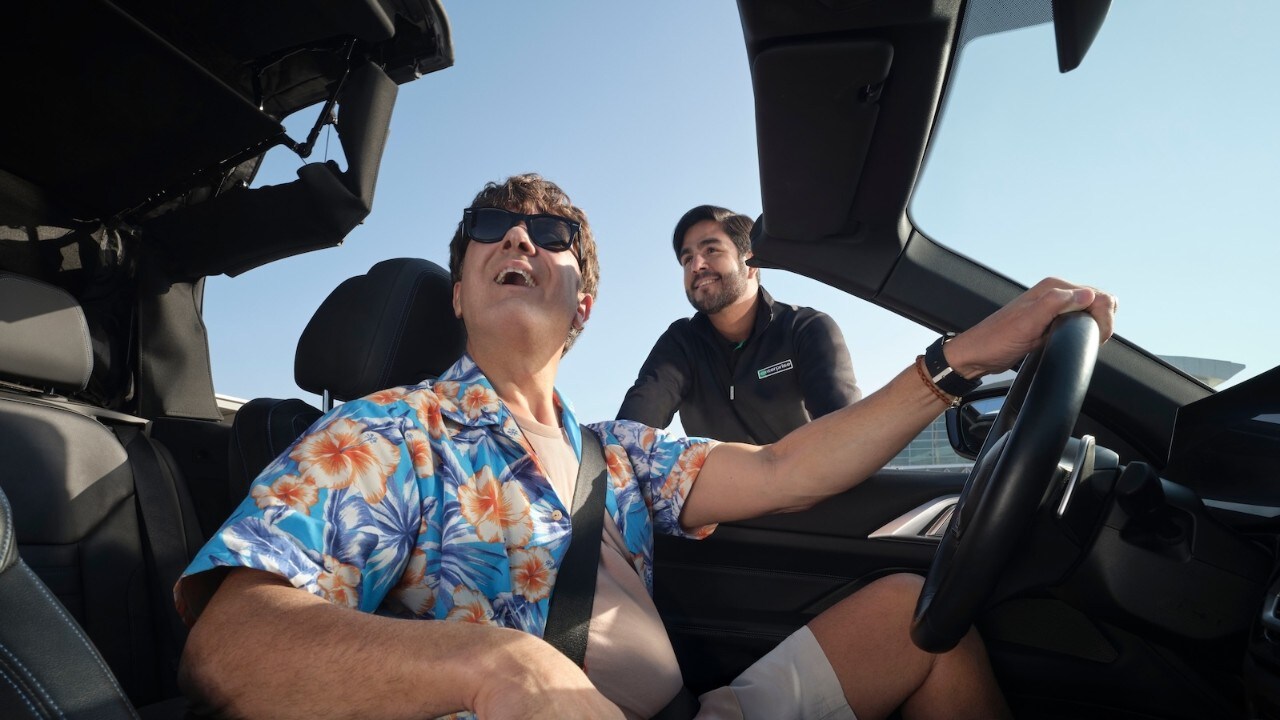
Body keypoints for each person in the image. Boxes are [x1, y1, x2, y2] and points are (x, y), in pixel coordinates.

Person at [176, 173, 1116, 720]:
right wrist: (499, 666)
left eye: (550, 235)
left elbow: (789, 469)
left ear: (582, 307)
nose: (518, 238)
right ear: (459, 292)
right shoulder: (388, 433)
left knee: (919, 620)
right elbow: (229, 644)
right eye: (491, 230)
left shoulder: (620, 453)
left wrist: (959, 359)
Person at [617, 205, 861, 443]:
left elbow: (847, 436)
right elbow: (629, 432)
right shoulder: (681, 343)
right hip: (719, 473)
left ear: (751, 263)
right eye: (687, 258)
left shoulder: (805, 329)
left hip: (809, 470)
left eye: (711, 250)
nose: (696, 266)